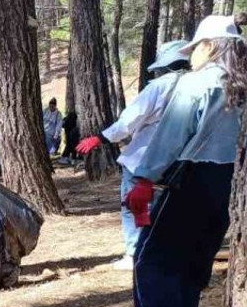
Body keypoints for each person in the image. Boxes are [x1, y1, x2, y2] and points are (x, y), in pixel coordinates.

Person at [114, 15, 247, 307]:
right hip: (232, 184)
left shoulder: (197, 83)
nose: (190, 56)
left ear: (209, 46)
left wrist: (144, 178)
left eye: (194, 48)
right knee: (195, 255)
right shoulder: (242, 86)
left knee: (152, 255)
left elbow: (172, 135)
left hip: (192, 176)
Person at [77, 39, 192, 270]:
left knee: (135, 207)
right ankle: (159, 250)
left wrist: (101, 138)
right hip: (176, 162)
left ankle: (135, 253)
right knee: (162, 209)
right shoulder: (196, 85)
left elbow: (129, 121)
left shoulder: (158, 87)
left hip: (142, 160)